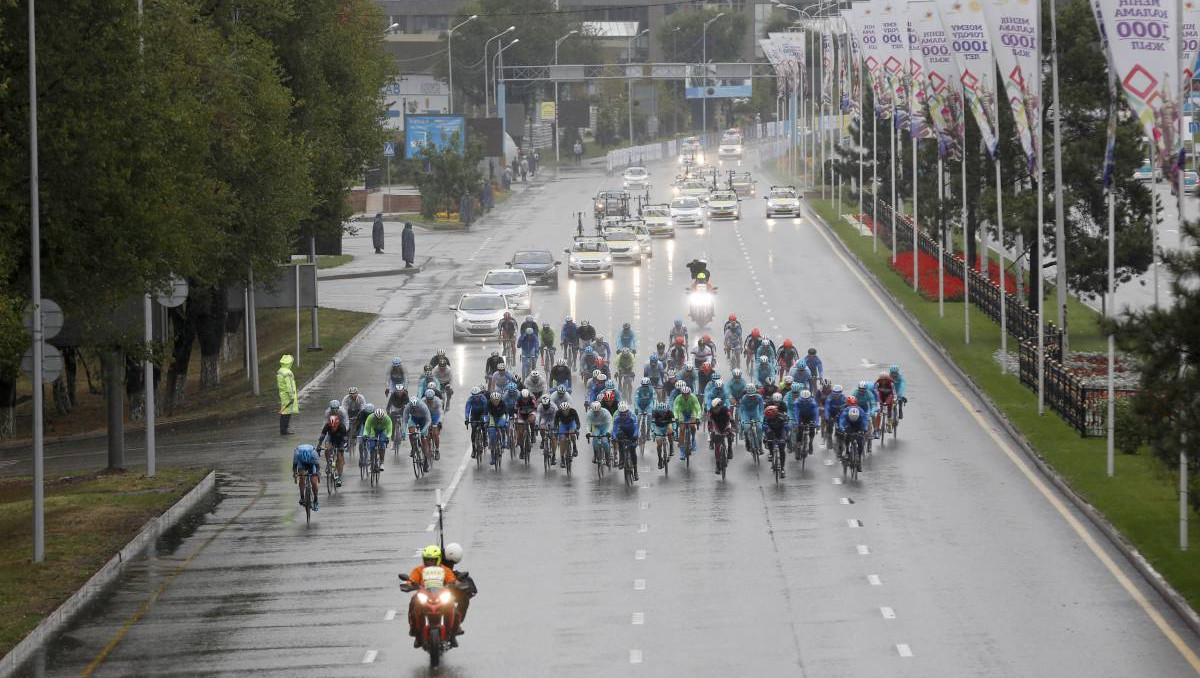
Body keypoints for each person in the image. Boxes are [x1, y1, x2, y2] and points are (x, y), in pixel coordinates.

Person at [403, 545, 458, 646]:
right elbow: (411, 580)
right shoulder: (418, 570)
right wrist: (410, 584)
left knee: (453, 607)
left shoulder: (445, 569)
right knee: (413, 603)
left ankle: (452, 633)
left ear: (438, 559)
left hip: (441, 595)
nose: (430, 562)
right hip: (424, 594)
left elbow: (452, 579)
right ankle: (416, 632)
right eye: (427, 560)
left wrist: (454, 584)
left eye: (433, 560)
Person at [441, 543, 477, 638]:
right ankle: (415, 627)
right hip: (430, 587)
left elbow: (450, 574)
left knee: (465, 597)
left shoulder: (449, 568)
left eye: (453, 562)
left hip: (446, 587)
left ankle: (455, 624)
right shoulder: (432, 558)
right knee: (415, 601)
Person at [316, 412, 348, 486]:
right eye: (332, 426)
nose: (333, 428)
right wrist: (319, 445)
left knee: (340, 458)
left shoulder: (342, 427)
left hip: (340, 440)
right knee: (327, 448)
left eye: (335, 426)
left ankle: (339, 477)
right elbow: (322, 437)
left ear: (338, 424)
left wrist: (345, 445)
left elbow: (345, 439)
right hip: (331, 438)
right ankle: (328, 463)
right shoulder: (327, 426)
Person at [671, 386, 702, 461]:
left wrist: (697, 417)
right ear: (681, 394)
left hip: (691, 412)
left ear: (689, 393)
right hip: (682, 413)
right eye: (683, 394)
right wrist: (676, 418)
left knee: (692, 425)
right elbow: (675, 408)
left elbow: (697, 408)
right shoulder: (678, 398)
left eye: (687, 394)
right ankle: (682, 451)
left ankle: (693, 439)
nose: (685, 395)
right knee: (681, 430)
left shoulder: (693, 397)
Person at [402, 397, 433, 469]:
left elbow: (429, 420)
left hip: (424, 420)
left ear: (418, 405)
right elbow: (404, 421)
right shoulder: (407, 407)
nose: (414, 409)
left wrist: (424, 429)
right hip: (414, 419)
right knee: (411, 431)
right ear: (410, 405)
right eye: (413, 407)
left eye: (416, 407)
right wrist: (403, 431)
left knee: (424, 439)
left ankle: (425, 459)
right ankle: (413, 447)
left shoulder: (423, 406)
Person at [362, 404, 393, 471]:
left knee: (382, 443)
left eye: (381, 419)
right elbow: (367, 429)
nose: (379, 420)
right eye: (377, 419)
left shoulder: (387, 418)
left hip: (383, 430)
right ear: (374, 416)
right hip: (373, 429)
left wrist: (387, 437)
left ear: (383, 417)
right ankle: (372, 461)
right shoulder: (370, 418)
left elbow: (389, 430)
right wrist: (365, 435)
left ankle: (382, 462)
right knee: (372, 445)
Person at [707, 398, 734, 471]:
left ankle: (730, 450)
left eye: (717, 408)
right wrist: (711, 431)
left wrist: (731, 428)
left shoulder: (725, 410)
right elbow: (710, 423)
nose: (715, 410)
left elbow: (730, 419)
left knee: (730, 434)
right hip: (716, 426)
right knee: (717, 446)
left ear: (720, 406)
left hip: (725, 424)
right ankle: (717, 464)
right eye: (714, 408)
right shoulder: (711, 412)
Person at [613, 404, 640, 479]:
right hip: (623, 432)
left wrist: (635, 435)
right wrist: (614, 437)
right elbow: (614, 429)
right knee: (619, 440)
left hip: (632, 432)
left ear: (627, 412)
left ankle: (635, 471)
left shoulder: (632, 416)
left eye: (624, 414)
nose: (623, 416)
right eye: (621, 415)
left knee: (632, 449)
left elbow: (636, 427)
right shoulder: (617, 418)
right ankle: (621, 459)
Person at [292, 443, 321, 510]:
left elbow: (317, 467)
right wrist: (295, 473)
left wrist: (317, 473)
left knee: (314, 481)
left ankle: (316, 500)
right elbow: (294, 466)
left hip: (312, 463)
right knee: (302, 477)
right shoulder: (297, 453)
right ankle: (302, 497)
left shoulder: (314, 453)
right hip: (301, 464)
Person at [761, 405, 788, 477]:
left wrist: (786, 438)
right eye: (768, 416)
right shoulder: (766, 417)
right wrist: (765, 437)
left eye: (771, 416)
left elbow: (786, 427)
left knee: (782, 448)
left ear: (776, 414)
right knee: (769, 440)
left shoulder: (781, 417)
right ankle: (771, 453)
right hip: (771, 431)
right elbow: (763, 427)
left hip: (781, 431)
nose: (770, 417)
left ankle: (782, 468)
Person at [554, 401, 581, 466]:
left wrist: (576, 429)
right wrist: (556, 430)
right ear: (561, 410)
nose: (565, 412)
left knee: (571, 433)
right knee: (562, 440)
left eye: (566, 410)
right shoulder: (558, 412)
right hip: (563, 425)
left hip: (571, 423)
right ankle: (562, 459)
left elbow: (577, 422)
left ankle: (574, 446)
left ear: (569, 409)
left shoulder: (573, 411)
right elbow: (556, 422)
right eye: (563, 411)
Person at [649, 402, 676, 469]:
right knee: (659, 443)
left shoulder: (670, 413)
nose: (663, 414)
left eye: (664, 412)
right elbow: (652, 423)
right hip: (658, 428)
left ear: (667, 411)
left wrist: (674, 430)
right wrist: (653, 431)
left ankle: (671, 447)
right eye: (661, 412)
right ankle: (660, 459)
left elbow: (674, 422)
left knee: (670, 430)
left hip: (667, 426)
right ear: (658, 411)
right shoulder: (655, 413)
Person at [277, 354, 298, 435]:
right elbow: (289, 386)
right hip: (288, 395)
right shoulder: (288, 372)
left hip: (283, 394)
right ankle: (284, 430)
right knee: (287, 413)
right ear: (289, 363)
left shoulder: (280, 371)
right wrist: (292, 396)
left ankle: (283, 429)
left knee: (284, 412)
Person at [485, 392, 509, 461]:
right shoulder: (489, 403)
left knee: (501, 426)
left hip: (501, 416)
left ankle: (503, 440)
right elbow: (485, 413)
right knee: (492, 436)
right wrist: (486, 422)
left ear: (499, 400)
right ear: (491, 400)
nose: (495, 402)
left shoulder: (502, 403)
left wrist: (506, 421)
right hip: (492, 417)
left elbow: (506, 413)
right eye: (494, 401)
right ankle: (492, 457)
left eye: (497, 400)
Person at [421, 389, 444, 456]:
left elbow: (441, 412)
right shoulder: (422, 401)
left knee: (436, 434)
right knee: (426, 435)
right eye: (428, 399)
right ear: (425, 397)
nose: (429, 400)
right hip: (427, 416)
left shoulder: (437, 401)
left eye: (431, 399)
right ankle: (429, 449)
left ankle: (437, 450)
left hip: (435, 416)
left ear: (433, 397)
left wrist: (440, 421)